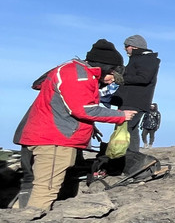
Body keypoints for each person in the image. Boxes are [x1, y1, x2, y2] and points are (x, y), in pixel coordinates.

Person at [12, 44, 136, 211]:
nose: (112, 80)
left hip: (42, 134)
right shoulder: (80, 76)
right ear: (107, 68)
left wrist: (89, 127)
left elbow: (65, 104)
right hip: (54, 140)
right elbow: (82, 109)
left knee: (35, 185)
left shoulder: (70, 70)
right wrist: (121, 116)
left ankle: (16, 218)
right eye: (113, 76)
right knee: (46, 189)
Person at [110, 35, 160, 175]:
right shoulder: (138, 59)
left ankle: (127, 163)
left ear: (134, 46)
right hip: (130, 101)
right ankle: (133, 162)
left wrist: (121, 79)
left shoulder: (148, 59)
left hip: (135, 102)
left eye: (126, 46)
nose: (125, 49)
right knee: (130, 131)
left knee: (123, 130)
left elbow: (144, 78)